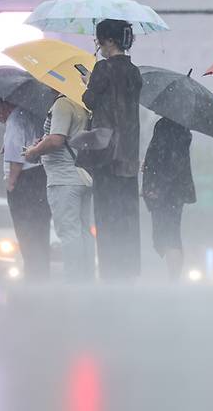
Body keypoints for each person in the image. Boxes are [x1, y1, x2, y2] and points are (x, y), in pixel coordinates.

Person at [82, 19, 142, 280]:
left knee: (106, 217)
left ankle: (110, 274)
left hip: (106, 154)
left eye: (99, 41)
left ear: (108, 40)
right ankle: (128, 272)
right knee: (127, 217)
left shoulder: (102, 68)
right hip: (128, 155)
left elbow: (90, 101)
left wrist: (89, 81)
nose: (98, 46)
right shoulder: (134, 71)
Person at [24, 95, 95, 281]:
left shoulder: (63, 103)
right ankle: (87, 279)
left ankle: (74, 282)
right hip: (82, 175)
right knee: (84, 231)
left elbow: (56, 140)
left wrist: (34, 151)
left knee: (69, 232)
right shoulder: (83, 104)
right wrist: (41, 144)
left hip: (64, 178)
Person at [0, 99, 51, 280]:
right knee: (40, 230)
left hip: (24, 181)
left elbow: (15, 158)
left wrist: (11, 183)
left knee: (26, 232)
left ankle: (34, 275)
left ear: (3, 106)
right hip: (40, 176)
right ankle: (41, 273)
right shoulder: (29, 115)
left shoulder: (14, 122)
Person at [142, 118, 196, 281]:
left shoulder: (165, 126)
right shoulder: (183, 129)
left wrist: (155, 185)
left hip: (166, 190)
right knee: (171, 233)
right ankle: (173, 277)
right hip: (175, 190)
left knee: (168, 234)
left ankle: (173, 278)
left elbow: (162, 158)